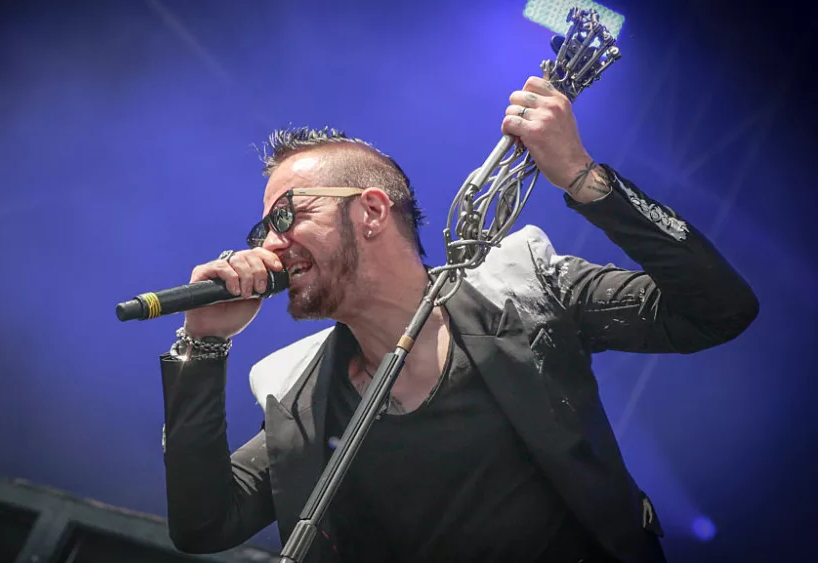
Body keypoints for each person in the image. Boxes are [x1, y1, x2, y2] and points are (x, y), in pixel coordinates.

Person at [157, 76, 759, 563]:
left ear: (370, 210)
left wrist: (583, 178)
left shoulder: (523, 288)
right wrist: (202, 344)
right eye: (261, 230)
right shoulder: (296, 391)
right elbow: (205, 524)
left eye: (285, 217)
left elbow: (717, 310)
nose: (270, 245)